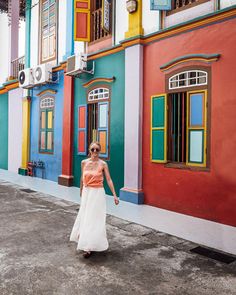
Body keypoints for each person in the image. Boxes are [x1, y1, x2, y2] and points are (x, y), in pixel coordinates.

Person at [69, 141, 119, 258]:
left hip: (98, 193)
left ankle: (91, 245)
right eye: (93, 149)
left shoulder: (103, 164)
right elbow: (82, 177)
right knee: (85, 216)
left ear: (100, 151)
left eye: (97, 149)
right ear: (89, 150)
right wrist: (81, 190)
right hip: (87, 192)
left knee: (95, 218)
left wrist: (115, 195)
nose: (95, 152)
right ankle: (86, 244)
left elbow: (109, 180)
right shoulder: (84, 162)